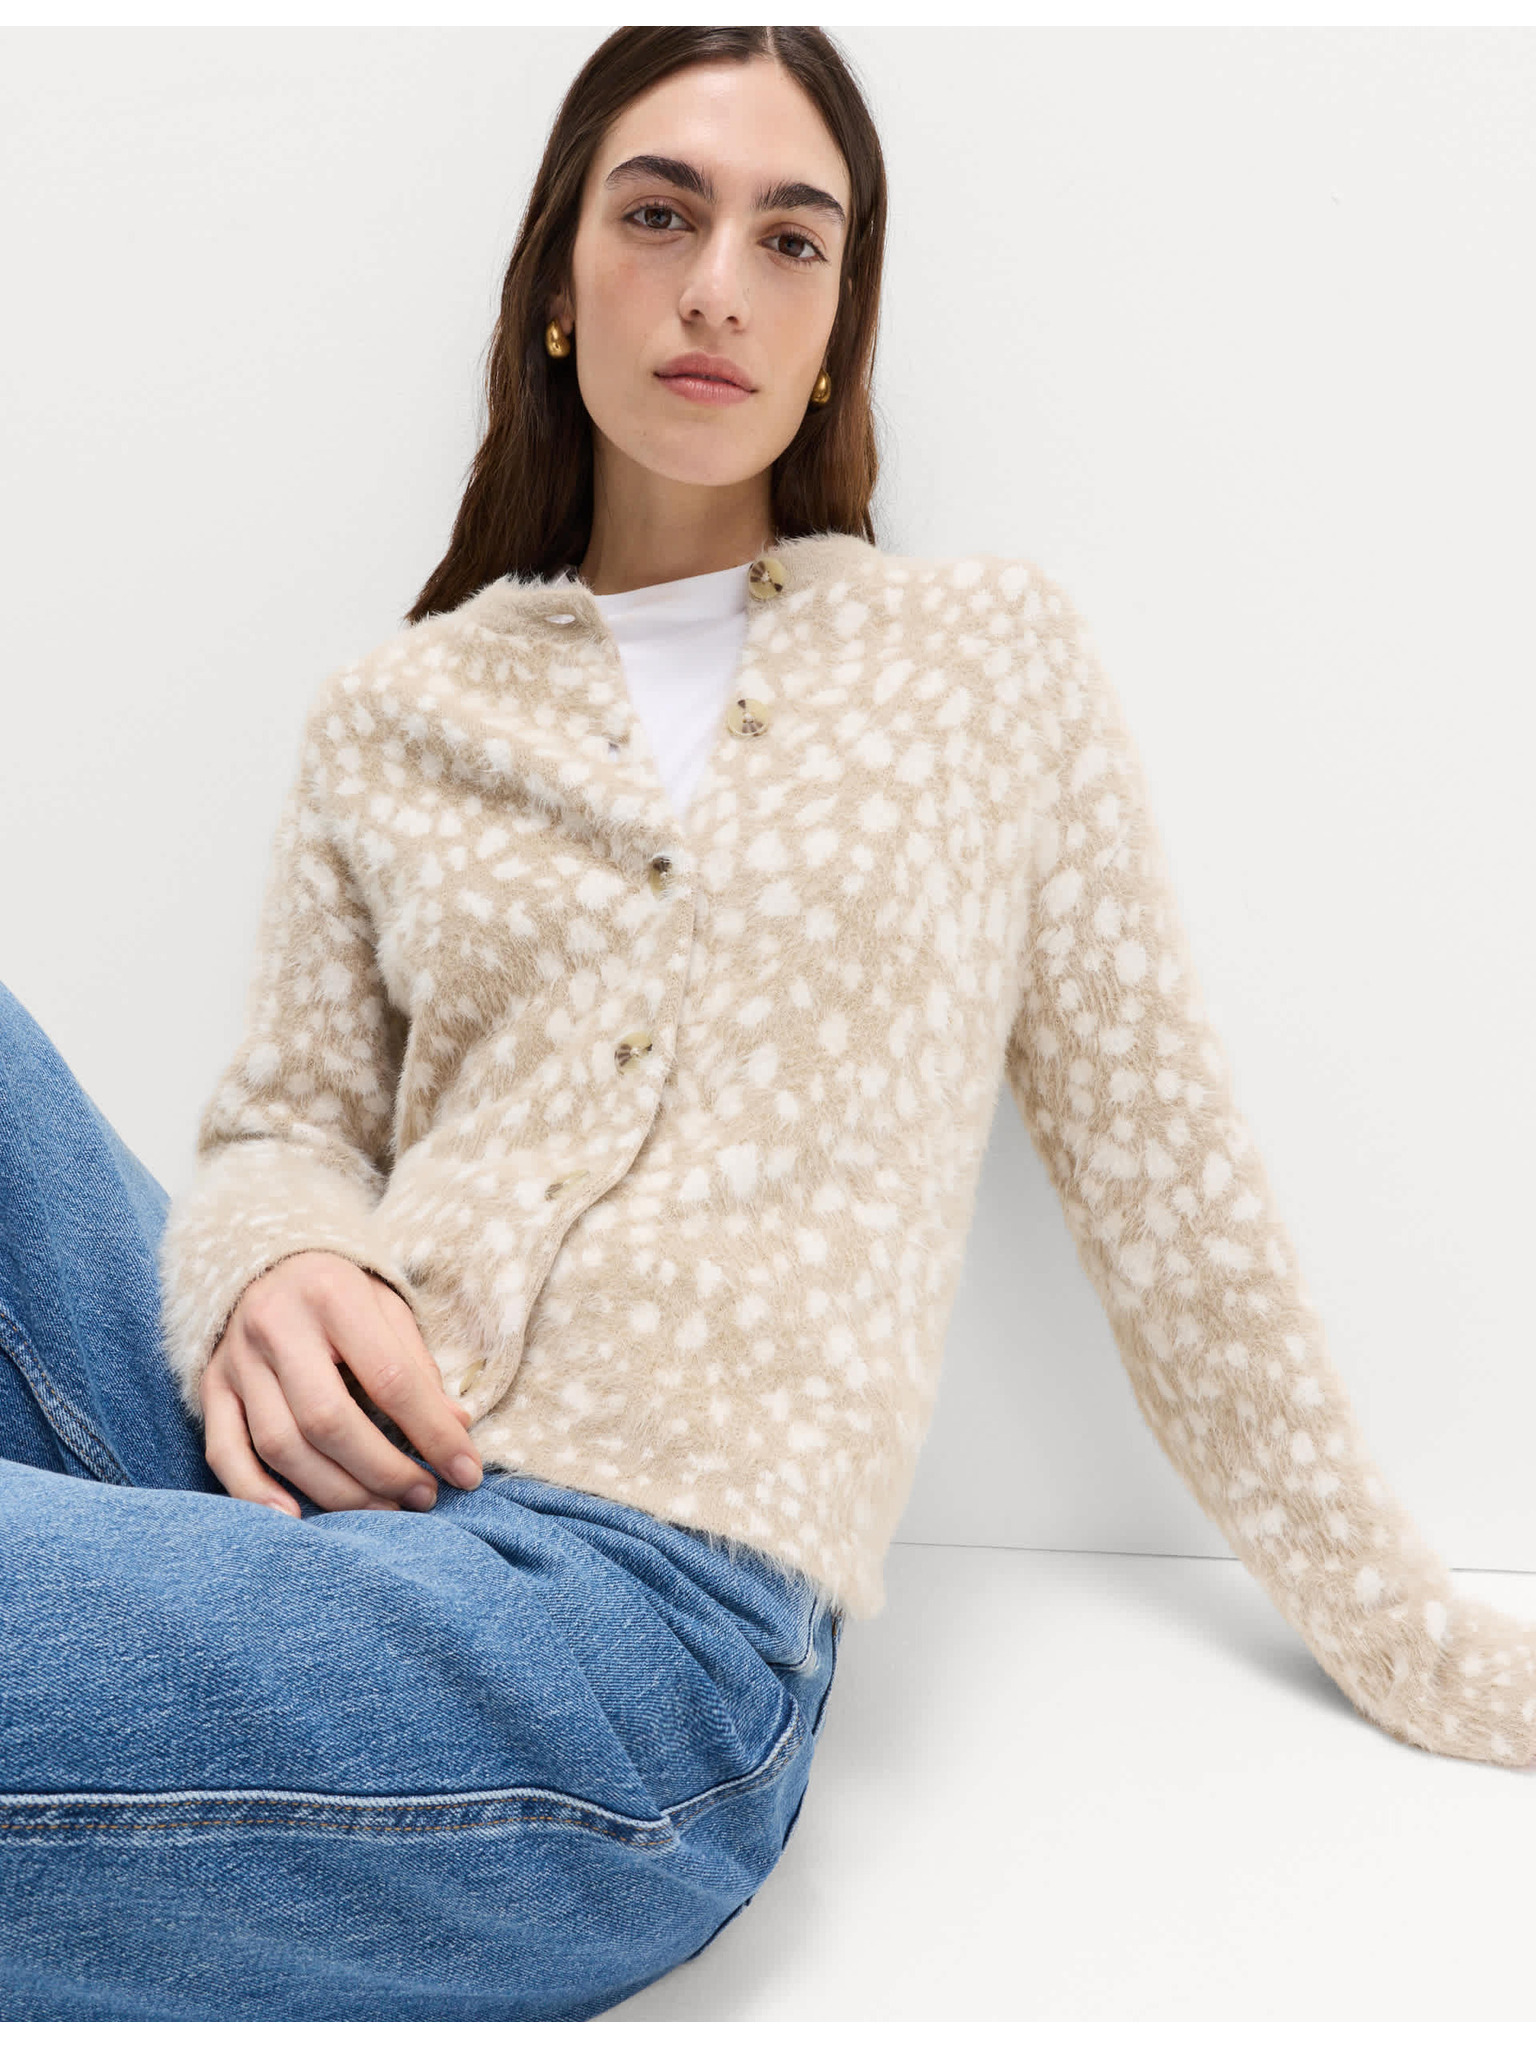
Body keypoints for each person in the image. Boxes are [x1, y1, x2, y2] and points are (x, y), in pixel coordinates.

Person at [3, 23, 1533, 2026]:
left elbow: (1178, 1209)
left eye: (791, 240)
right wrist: (277, 1257)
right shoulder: (397, 711)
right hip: (306, 1472)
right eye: (660, 215)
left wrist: (1437, 1648)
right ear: (562, 283)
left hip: (625, 1624)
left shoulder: (981, 669)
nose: (720, 281)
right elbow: (286, 1124)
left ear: (834, 331)